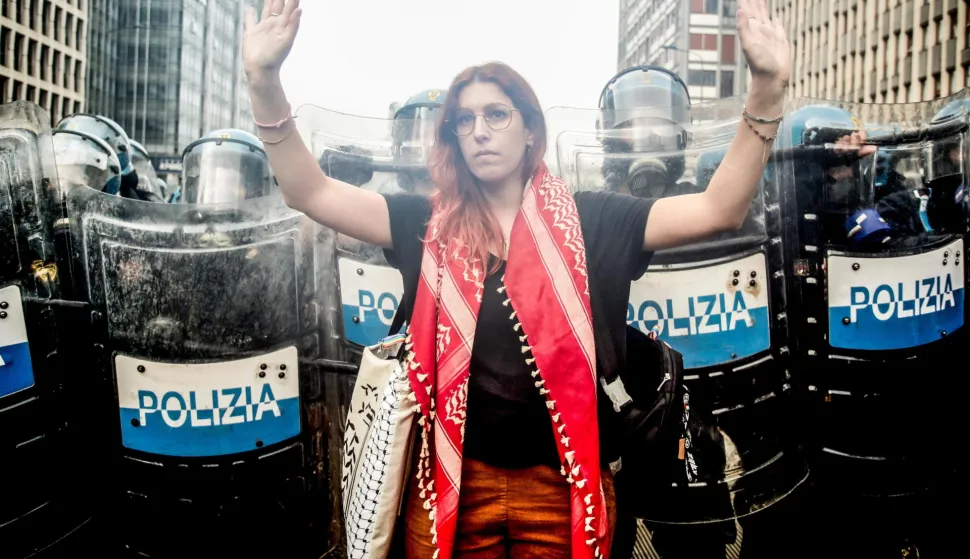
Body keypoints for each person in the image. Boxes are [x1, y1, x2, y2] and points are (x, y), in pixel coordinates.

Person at [243, 1, 799, 558]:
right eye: (466, 120)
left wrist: (768, 89)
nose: (479, 131)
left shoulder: (594, 219)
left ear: (531, 130)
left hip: (562, 488)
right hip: (449, 485)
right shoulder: (424, 223)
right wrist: (265, 79)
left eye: (497, 115)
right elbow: (308, 192)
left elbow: (719, 210)